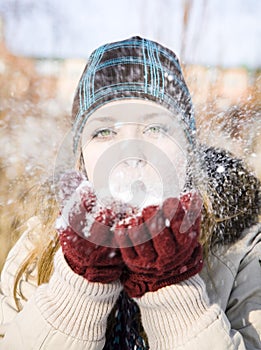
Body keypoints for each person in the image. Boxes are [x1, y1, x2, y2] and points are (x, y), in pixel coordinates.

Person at [0, 36, 260, 350]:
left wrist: (170, 284)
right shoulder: (35, 251)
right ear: (81, 160)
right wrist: (81, 282)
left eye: (156, 129)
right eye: (104, 131)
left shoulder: (242, 252)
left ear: (189, 155)